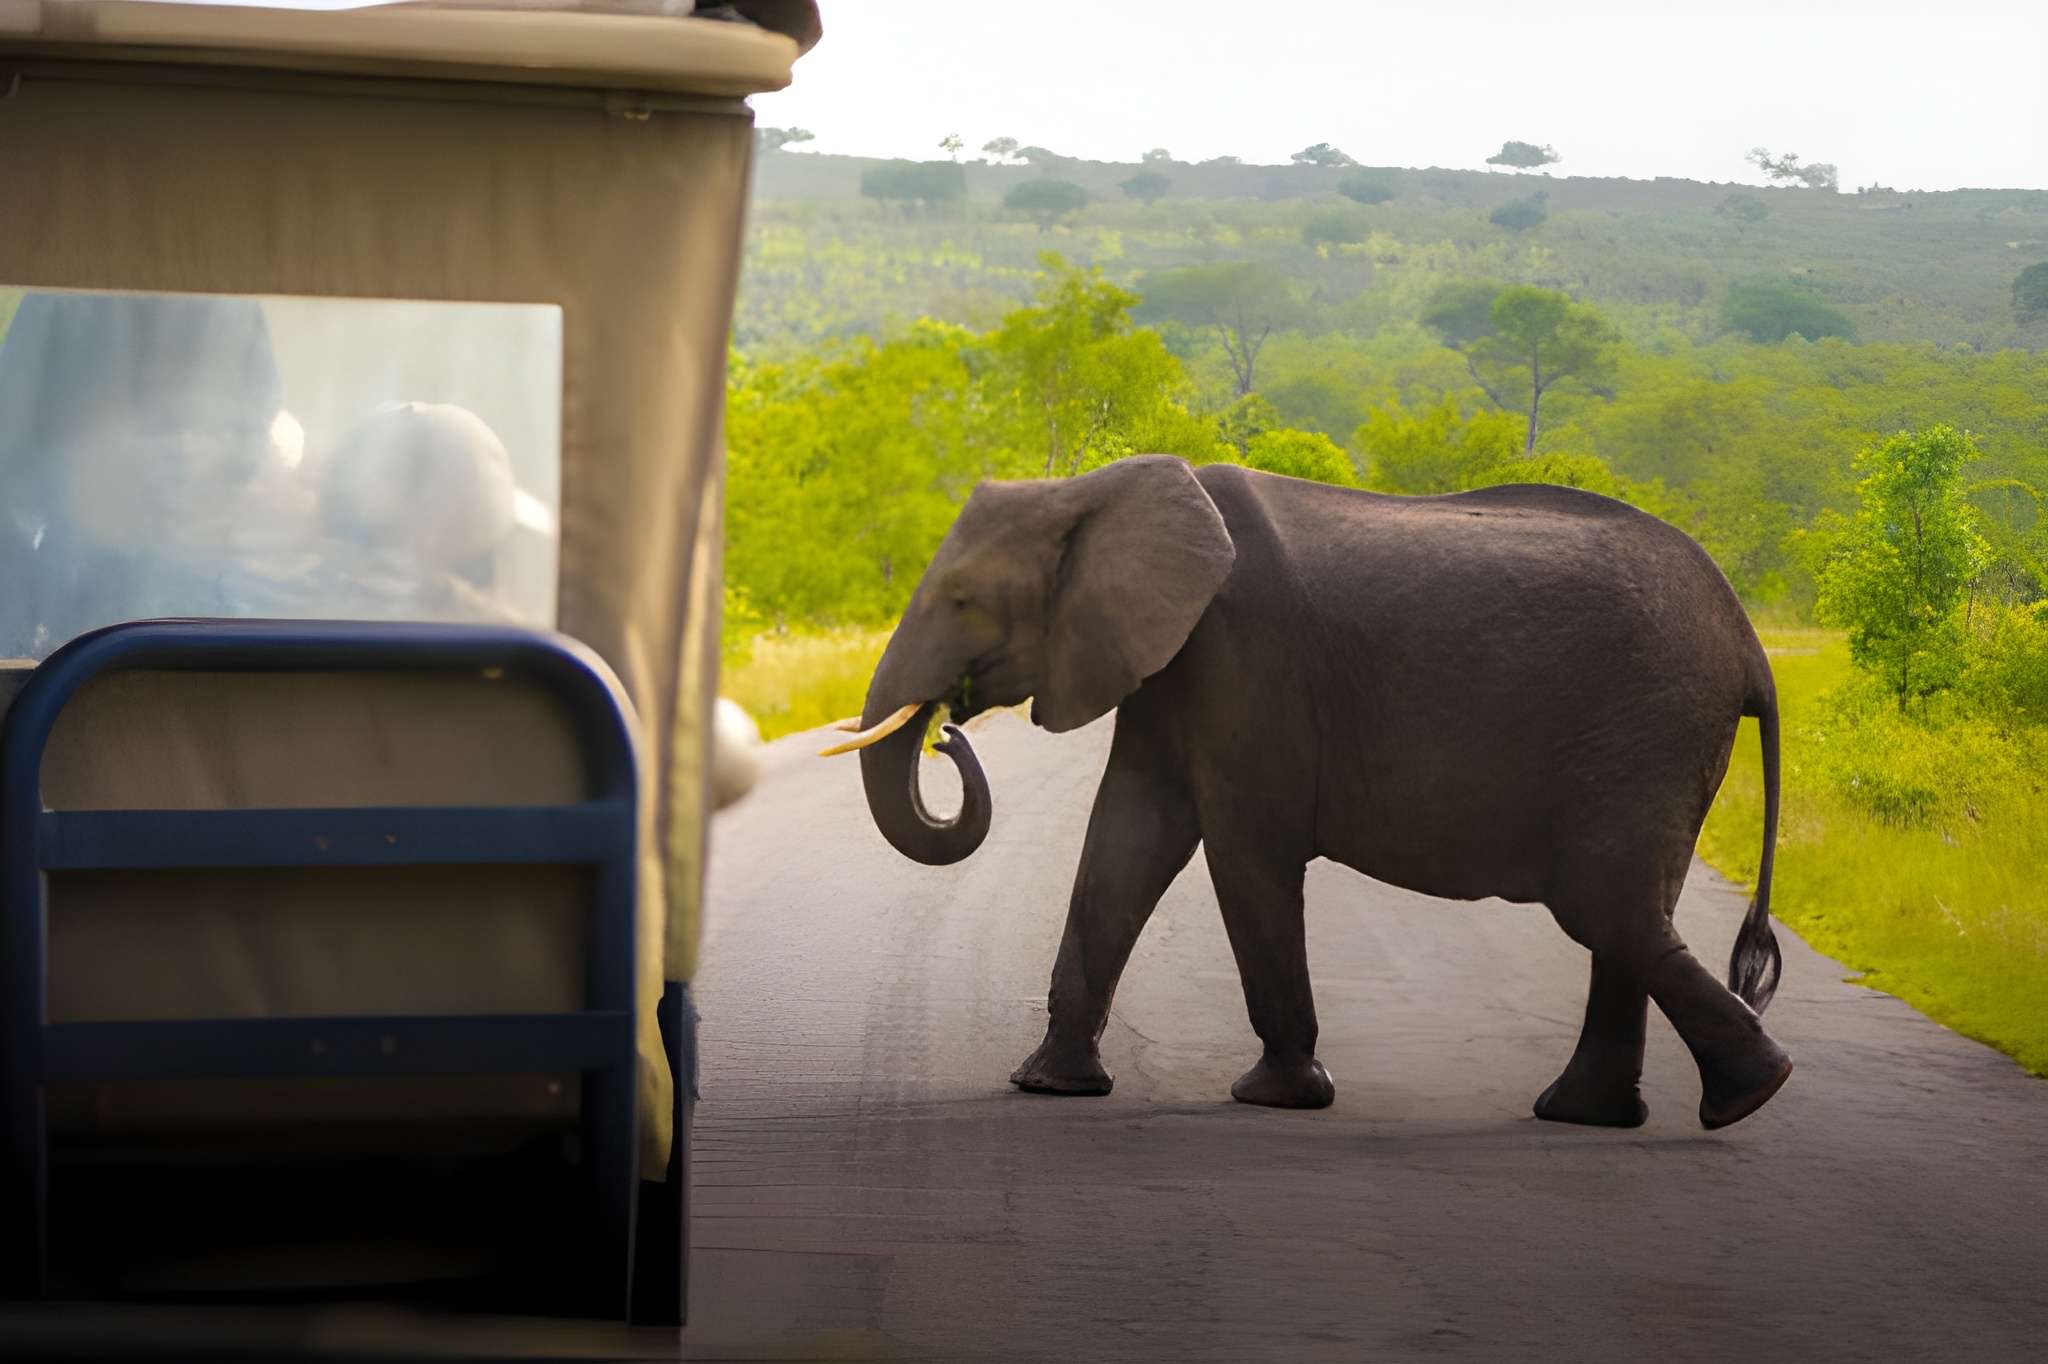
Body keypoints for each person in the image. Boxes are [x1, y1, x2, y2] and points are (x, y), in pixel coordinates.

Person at [0, 292, 285, 657]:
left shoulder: (247, 607)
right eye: (162, 431)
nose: (181, 454)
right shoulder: (65, 292)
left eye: (218, 431)